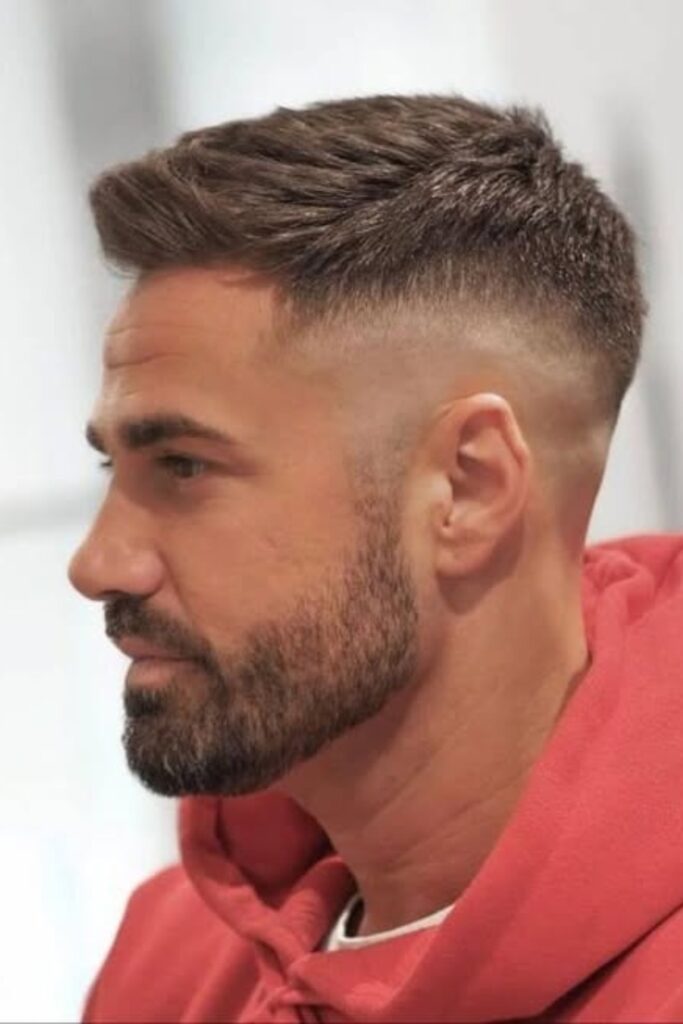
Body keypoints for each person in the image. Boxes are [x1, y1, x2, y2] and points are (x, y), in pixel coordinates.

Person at [68, 92, 683, 1023]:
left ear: (467, 488)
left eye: (184, 466)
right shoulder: (169, 960)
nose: (98, 564)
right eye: (114, 468)